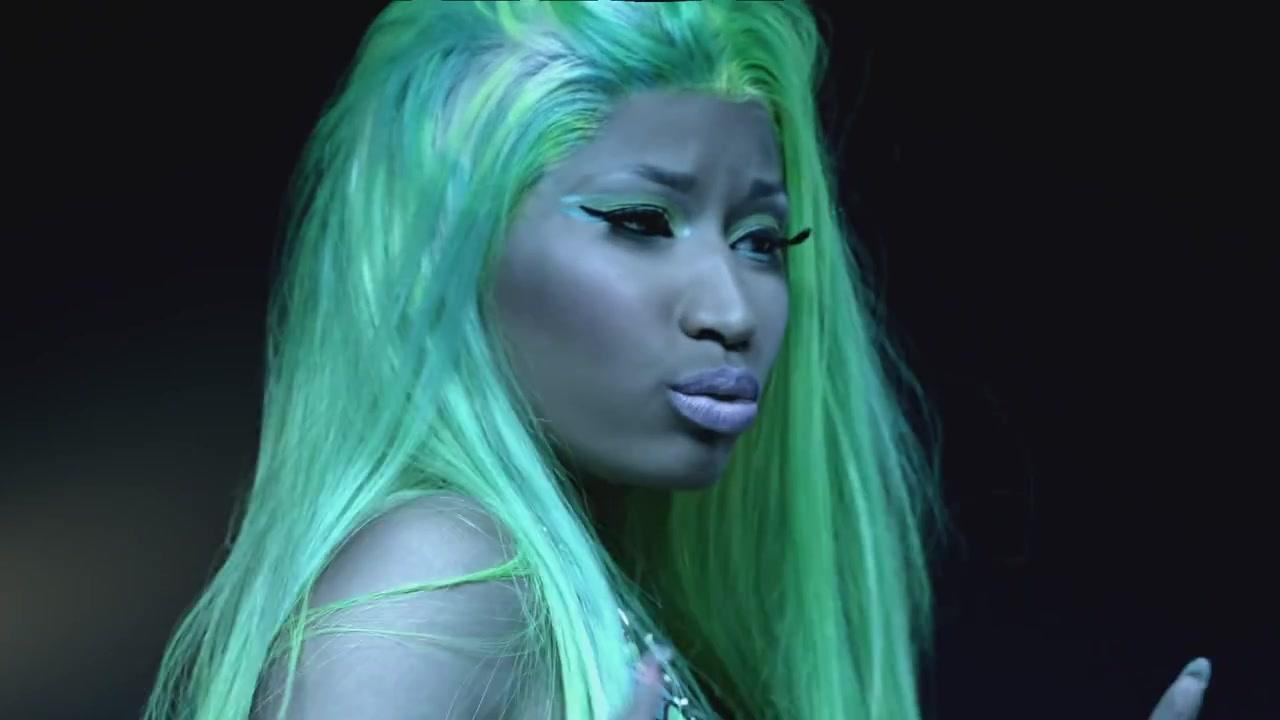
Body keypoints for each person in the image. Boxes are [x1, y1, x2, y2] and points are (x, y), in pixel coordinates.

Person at [140, 2, 1212, 718]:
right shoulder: (435, 573)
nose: (732, 311)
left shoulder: (586, 581)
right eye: (642, 222)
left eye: (761, 241)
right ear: (442, 249)